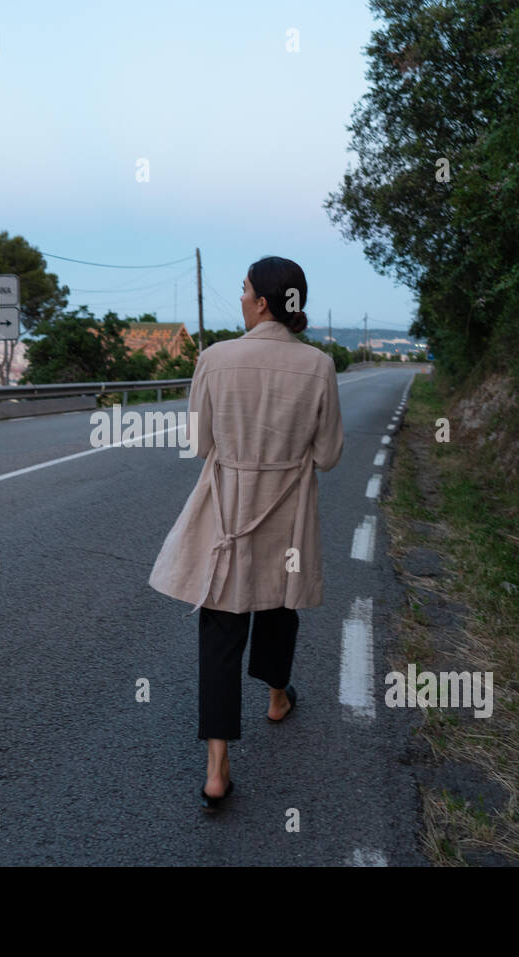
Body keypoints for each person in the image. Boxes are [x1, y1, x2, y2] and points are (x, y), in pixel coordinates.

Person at [148, 255, 344, 812]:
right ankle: (277, 698)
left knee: (221, 624)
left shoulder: (214, 359)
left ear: (262, 303)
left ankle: (216, 768)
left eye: (243, 291)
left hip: (229, 511)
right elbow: (328, 456)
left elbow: (202, 445)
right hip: (287, 511)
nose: (240, 299)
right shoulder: (319, 366)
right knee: (281, 603)